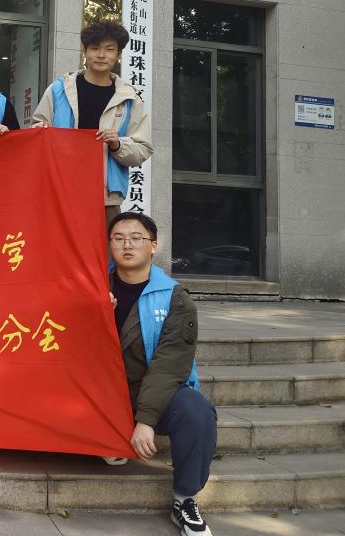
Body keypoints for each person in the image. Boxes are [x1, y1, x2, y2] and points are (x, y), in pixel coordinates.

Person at [107, 211, 217, 536]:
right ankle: (106, 438)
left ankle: (184, 499)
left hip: (154, 390)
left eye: (136, 238)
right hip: (105, 390)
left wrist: (146, 419)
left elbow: (170, 364)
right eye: (118, 238)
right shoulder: (95, 286)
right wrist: (96, 314)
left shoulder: (174, 298)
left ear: (153, 246)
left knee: (196, 412)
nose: (127, 245)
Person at [31, 21, 153, 224]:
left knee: (103, 245)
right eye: (95, 48)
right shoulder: (59, 90)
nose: (101, 55)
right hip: (58, 190)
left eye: (109, 49)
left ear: (119, 54)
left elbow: (143, 148)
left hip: (105, 197)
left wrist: (118, 144)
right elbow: (36, 131)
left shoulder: (129, 99)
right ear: (84, 51)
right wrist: (40, 131)